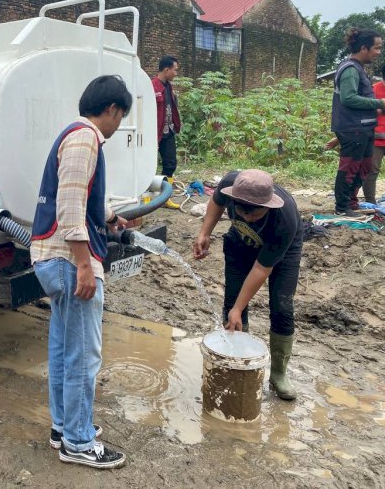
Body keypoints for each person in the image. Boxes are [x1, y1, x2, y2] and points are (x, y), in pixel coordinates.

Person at [31, 75, 130, 469]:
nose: (119, 124)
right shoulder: (86, 137)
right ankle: (78, 440)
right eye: (121, 116)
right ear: (112, 109)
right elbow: (70, 207)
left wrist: (110, 218)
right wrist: (85, 264)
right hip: (69, 262)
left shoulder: (71, 135)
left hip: (53, 259)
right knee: (83, 355)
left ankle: (63, 427)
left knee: (62, 348)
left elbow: (79, 197)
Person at [193, 169, 303, 401]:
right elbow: (215, 202)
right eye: (241, 213)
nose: (247, 219)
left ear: (268, 206)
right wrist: (205, 233)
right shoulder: (231, 183)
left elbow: (261, 269)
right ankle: (238, 364)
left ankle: (279, 375)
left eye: (255, 216)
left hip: (283, 252)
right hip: (240, 243)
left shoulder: (284, 219)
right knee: (232, 303)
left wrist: (239, 308)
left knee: (282, 307)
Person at [330, 28, 385, 216]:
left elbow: (358, 101)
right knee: (350, 167)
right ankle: (342, 207)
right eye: (376, 48)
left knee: (364, 166)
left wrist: (375, 107)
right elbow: (348, 98)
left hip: (363, 127)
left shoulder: (358, 69)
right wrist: (380, 103)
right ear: (364, 47)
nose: (378, 52)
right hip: (353, 128)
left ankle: (352, 203)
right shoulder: (351, 69)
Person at [151, 55, 182, 209]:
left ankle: (165, 198)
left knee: (170, 164)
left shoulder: (168, 87)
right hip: (154, 133)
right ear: (166, 69)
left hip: (168, 131)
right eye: (175, 70)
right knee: (149, 164)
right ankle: (147, 194)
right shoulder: (151, 86)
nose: (176, 73)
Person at [362, 64, 385, 204]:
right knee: (372, 171)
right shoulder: (374, 90)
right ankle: (371, 203)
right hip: (377, 139)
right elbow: (366, 110)